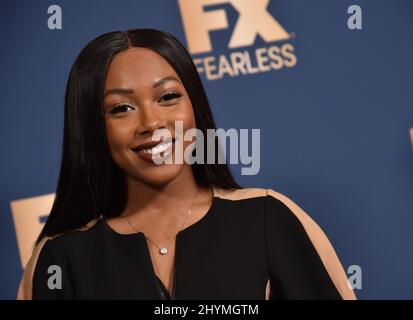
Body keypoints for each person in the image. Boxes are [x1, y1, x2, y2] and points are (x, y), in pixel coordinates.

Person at [17, 28, 356, 300]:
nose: (151, 122)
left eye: (167, 97)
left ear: (194, 105)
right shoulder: (59, 258)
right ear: (92, 128)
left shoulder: (270, 217)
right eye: (121, 108)